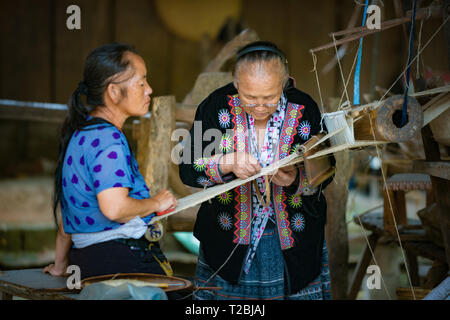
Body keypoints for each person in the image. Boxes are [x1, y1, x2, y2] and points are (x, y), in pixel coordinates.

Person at [179, 41, 335, 300]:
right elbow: (187, 168)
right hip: (227, 242)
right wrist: (227, 163)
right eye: (250, 98)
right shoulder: (216, 107)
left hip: (294, 245)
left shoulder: (304, 109)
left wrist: (296, 178)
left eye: (270, 97)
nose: (260, 106)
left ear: (284, 83)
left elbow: (327, 170)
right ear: (236, 83)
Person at [43, 43, 177, 280]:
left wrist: (61, 264)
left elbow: (70, 212)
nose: (149, 90)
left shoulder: (81, 131)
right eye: (141, 83)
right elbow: (114, 209)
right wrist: (155, 202)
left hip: (86, 259)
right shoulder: (109, 139)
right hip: (117, 259)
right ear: (114, 92)